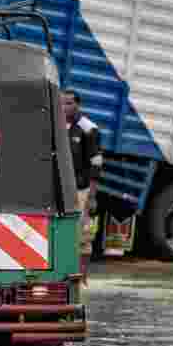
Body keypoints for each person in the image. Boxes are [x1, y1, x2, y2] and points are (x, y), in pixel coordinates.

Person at [61, 89, 102, 284]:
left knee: (84, 235)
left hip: (82, 190)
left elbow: (96, 165)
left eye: (69, 103)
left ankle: (82, 276)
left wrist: (92, 197)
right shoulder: (59, 126)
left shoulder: (89, 129)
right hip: (62, 190)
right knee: (63, 233)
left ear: (78, 105)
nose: (65, 107)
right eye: (62, 103)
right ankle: (64, 275)